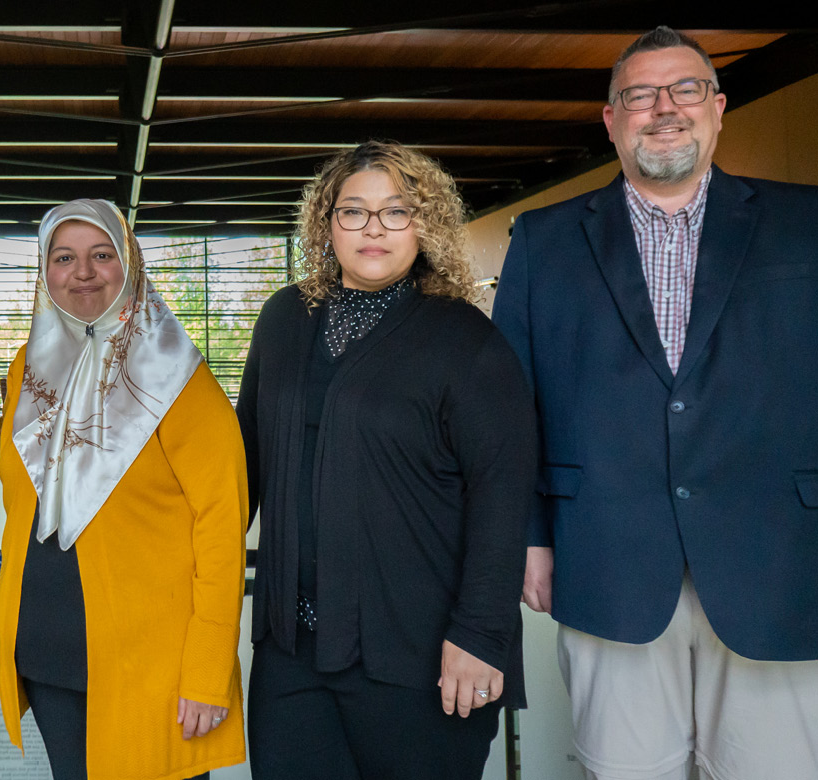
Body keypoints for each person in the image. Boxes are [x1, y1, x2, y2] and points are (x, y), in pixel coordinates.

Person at [492, 26, 818, 780]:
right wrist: (530, 537)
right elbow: (514, 407)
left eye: (683, 90)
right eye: (638, 95)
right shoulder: (542, 240)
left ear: (717, 107)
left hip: (780, 563)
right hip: (604, 558)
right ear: (610, 119)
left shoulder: (805, 224)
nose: (661, 108)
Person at [238, 141, 536, 779]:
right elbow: (246, 467)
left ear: (424, 224)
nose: (373, 228)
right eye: (353, 211)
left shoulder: (467, 341)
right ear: (327, 224)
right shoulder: (283, 319)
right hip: (292, 655)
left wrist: (480, 637)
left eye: (396, 211)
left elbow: (502, 497)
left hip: (422, 656)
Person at [0, 199, 248, 780]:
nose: (83, 271)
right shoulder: (23, 373)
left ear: (129, 264)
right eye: (64, 257)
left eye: (102, 254)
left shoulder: (180, 377)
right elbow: (21, 509)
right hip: (51, 655)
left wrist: (208, 669)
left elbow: (221, 523)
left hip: (150, 665)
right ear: (44, 270)